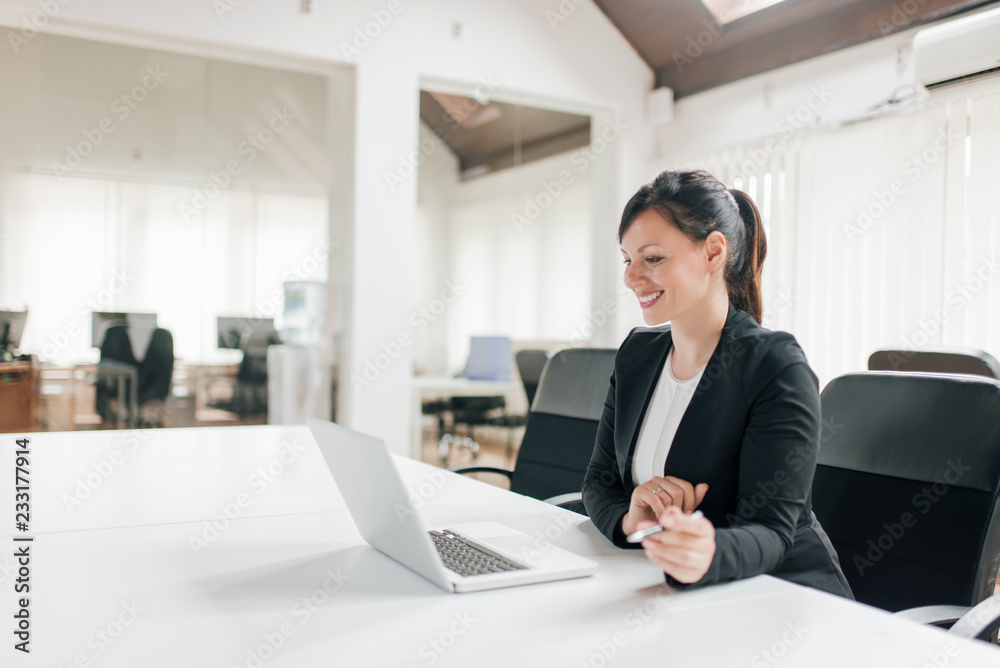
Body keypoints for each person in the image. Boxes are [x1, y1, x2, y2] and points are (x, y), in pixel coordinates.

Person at [582, 169, 853, 598]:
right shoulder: (637, 354)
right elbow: (598, 480)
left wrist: (708, 551)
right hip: (677, 597)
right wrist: (628, 518)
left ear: (712, 253)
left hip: (784, 600)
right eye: (628, 260)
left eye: (652, 258)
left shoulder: (774, 365)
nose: (632, 278)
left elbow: (773, 532)